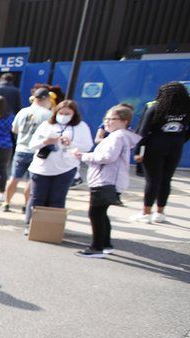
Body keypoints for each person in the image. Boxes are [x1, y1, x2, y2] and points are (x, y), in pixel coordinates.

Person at [73, 105, 141, 257]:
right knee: (101, 213)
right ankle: (105, 244)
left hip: (106, 180)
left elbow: (107, 157)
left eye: (112, 119)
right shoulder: (121, 136)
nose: (107, 122)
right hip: (108, 180)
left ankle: (96, 248)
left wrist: (84, 156)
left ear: (125, 121)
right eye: (106, 119)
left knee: (95, 213)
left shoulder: (117, 137)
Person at [24, 99, 93, 231]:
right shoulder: (46, 125)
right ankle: (31, 225)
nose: (63, 116)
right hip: (42, 167)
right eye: (61, 113)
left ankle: (51, 228)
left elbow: (87, 146)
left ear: (74, 114)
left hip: (66, 167)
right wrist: (46, 141)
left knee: (57, 199)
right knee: (37, 197)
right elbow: (32, 145)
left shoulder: (81, 126)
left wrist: (71, 143)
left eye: (67, 113)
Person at [132, 82, 190, 223]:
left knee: (152, 180)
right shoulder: (187, 108)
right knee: (166, 180)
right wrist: (180, 139)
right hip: (175, 147)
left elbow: (143, 131)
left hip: (155, 146)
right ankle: (160, 213)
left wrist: (138, 150)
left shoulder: (156, 107)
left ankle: (146, 213)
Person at [6, 88, 53, 212]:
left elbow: (14, 130)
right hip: (37, 151)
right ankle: (26, 205)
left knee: (14, 178)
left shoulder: (23, 111)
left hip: (21, 148)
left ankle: (6, 202)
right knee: (31, 180)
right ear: (46, 99)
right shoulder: (48, 114)